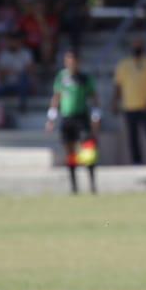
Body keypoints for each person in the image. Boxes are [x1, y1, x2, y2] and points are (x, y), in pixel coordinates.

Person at [46, 50, 101, 195]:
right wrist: (51, 117)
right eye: (68, 60)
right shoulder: (61, 77)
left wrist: (96, 116)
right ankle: (74, 186)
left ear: (78, 62)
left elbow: (94, 97)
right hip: (67, 118)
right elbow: (56, 97)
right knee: (70, 152)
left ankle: (92, 184)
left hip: (81, 117)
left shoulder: (84, 78)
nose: (71, 63)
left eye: (74, 60)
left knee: (88, 151)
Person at [112, 37, 146, 164]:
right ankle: (137, 161)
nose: (136, 47)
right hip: (130, 106)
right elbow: (118, 86)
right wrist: (115, 101)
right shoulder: (123, 64)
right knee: (133, 136)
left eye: (139, 44)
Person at [0, 34, 34, 112]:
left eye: (15, 42)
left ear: (19, 42)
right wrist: (16, 71)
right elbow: (1, 72)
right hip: (8, 84)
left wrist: (12, 71)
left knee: (23, 78)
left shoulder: (26, 53)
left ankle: (22, 106)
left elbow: (30, 69)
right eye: (11, 42)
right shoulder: (3, 54)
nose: (13, 43)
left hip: (22, 84)